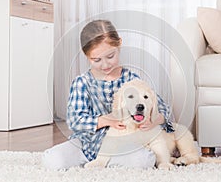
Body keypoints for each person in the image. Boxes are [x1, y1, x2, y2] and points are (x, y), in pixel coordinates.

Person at [42, 19, 174, 170]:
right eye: (96, 60)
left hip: (122, 147)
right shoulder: (82, 83)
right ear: (86, 55)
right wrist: (104, 120)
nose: (105, 65)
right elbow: (74, 121)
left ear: (119, 45)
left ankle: (109, 163)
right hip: (86, 145)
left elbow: (164, 109)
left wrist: (154, 120)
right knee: (52, 161)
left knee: (142, 160)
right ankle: (101, 163)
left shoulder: (132, 81)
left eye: (110, 56)